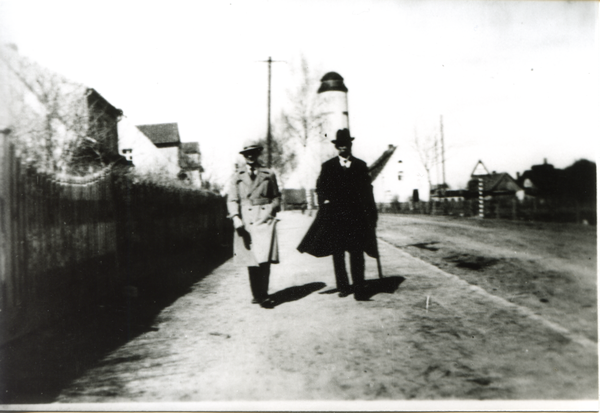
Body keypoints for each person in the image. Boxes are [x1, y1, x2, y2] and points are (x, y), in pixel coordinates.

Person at [297, 128, 378, 300]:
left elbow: (368, 191)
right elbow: (320, 188)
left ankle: (359, 288)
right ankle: (343, 286)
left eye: (346, 144)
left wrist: (372, 214)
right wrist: (324, 201)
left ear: (350, 145)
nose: (343, 147)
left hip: (356, 218)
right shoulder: (328, 167)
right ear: (337, 147)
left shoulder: (360, 166)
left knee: (357, 252)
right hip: (336, 218)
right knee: (338, 253)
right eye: (340, 145)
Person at [227, 143, 281, 308]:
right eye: (247, 154)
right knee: (252, 260)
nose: (250, 156)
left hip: (264, 218)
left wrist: (270, 210)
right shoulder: (237, 175)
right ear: (244, 156)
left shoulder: (269, 173)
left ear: (258, 154)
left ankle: (264, 295)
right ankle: (257, 294)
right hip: (246, 220)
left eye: (253, 153)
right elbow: (232, 199)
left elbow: (276, 197)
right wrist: (236, 217)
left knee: (264, 260)